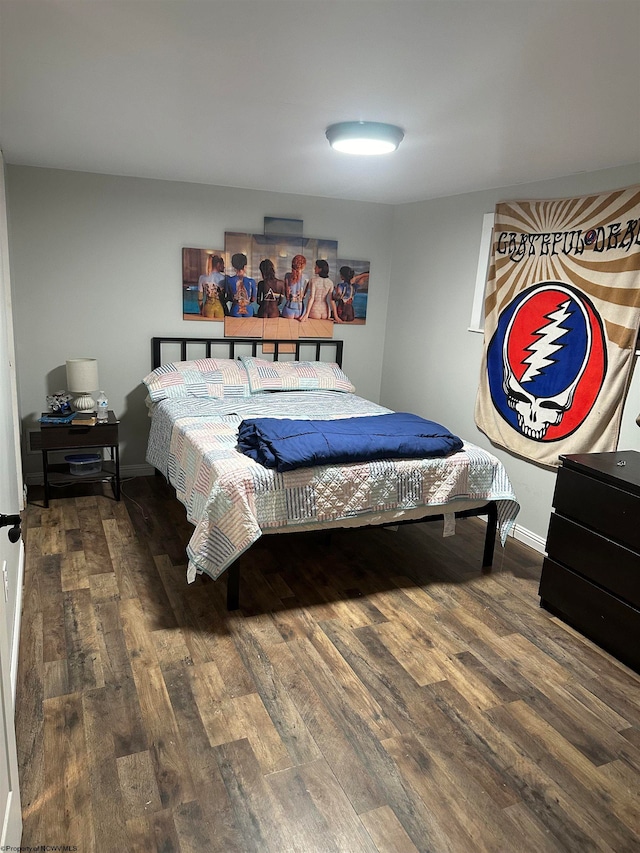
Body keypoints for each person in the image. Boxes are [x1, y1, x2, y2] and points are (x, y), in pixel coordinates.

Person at [224, 252, 257, 317]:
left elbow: (229, 297)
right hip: (248, 309)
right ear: (245, 266)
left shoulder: (229, 280)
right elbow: (253, 299)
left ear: (234, 266)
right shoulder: (251, 281)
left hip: (235, 309)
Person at [198, 254, 227, 318]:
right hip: (220, 308)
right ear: (218, 264)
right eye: (223, 264)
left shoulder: (202, 277)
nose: (224, 266)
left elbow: (200, 298)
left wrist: (201, 310)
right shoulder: (224, 278)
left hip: (207, 309)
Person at [281, 253, 308, 319]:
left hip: (288, 309)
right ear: (304, 266)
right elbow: (304, 296)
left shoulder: (287, 276)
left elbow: (286, 296)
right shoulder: (306, 278)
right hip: (300, 311)